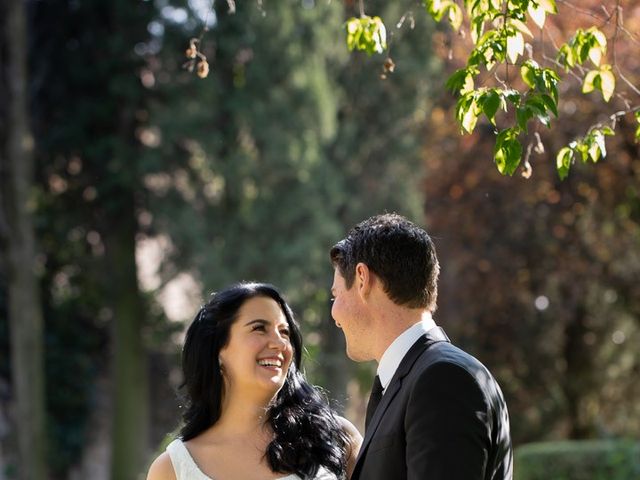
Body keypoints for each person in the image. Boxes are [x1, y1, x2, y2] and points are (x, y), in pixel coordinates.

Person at [329, 213, 513, 480]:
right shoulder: (411, 379)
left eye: (335, 295)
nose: (334, 313)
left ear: (361, 279)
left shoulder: (443, 379)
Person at [147, 282, 361, 480]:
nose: (279, 343)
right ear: (217, 350)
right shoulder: (173, 469)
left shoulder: (336, 438)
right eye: (259, 328)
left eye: (284, 332)